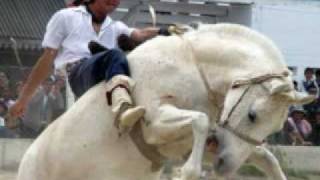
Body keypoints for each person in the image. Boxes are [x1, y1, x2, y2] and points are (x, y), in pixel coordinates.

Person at [9, 0, 177, 134]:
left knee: (132, 62)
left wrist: (166, 30)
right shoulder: (65, 17)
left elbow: (140, 34)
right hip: (75, 75)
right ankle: (122, 107)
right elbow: (47, 58)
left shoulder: (115, 26)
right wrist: (23, 100)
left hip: (103, 79)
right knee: (115, 55)